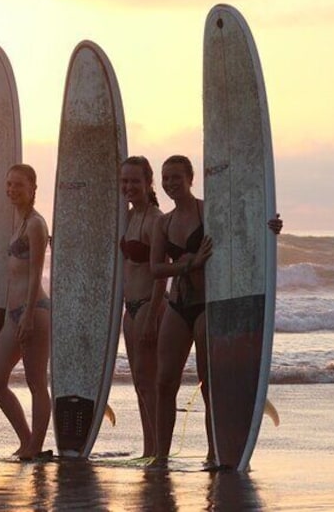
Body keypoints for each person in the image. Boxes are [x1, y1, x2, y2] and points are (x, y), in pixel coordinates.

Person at [149, 155, 281, 469]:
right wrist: (188, 264)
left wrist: (271, 227)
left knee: (209, 384)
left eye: (176, 177)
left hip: (207, 305)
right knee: (164, 382)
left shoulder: (209, 211)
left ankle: (214, 453)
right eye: (166, 178)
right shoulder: (162, 223)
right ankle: (161, 455)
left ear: (190, 178)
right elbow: (155, 268)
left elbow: (244, 234)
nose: (170, 184)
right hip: (177, 304)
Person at [0, 164, 53, 461]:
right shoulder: (19, 221)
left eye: (18, 185)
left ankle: (35, 447)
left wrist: (26, 316)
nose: (12, 190)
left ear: (33, 187)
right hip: (13, 314)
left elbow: (37, 271)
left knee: (36, 382)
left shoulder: (36, 224)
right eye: (9, 185)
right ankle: (27, 440)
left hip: (33, 310)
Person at [119, 156, 167, 458]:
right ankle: (149, 446)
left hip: (149, 306)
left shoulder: (155, 219)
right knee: (140, 381)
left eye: (135, 181)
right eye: (124, 181)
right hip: (130, 308)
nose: (129, 186)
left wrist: (151, 316)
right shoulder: (130, 217)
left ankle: (156, 449)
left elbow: (161, 273)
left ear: (148, 183)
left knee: (147, 379)